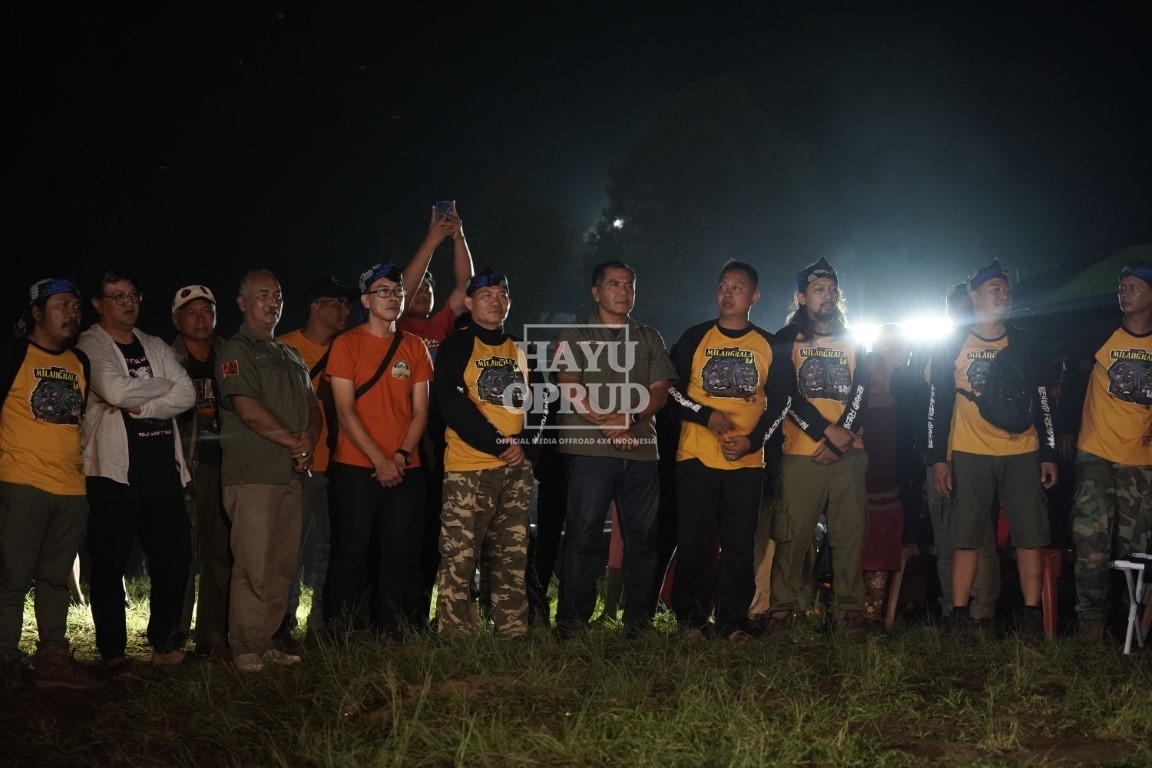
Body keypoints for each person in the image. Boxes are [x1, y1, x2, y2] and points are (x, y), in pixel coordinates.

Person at [927, 260, 1057, 641]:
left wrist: (1049, 452)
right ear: (974, 296)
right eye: (994, 289)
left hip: (1022, 449)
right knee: (966, 536)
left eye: (1006, 289)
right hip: (970, 451)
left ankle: (1031, 618)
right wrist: (938, 459)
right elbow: (938, 404)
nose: (1003, 295)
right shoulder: (953, 342)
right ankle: (959, 617)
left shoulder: (1024, 341)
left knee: (1029, 535)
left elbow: (1042, 399)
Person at [77, 265, 196, 676]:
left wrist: (142, 405)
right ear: (98, 304)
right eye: (118, 296)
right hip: (114, 474)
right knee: (109, 565)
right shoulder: (90, 344)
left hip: (163, 473)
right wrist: (161, 386)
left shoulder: (154, 343)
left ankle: (164, 644)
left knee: (175, 560)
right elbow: (113, 390)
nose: (128, 303)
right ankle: (113, 653)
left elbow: (187, 393)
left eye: (133, 295)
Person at [667, 260, 791, 643]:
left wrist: (753, 441)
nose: (728, 294)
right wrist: (706, 415)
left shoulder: (769, 344)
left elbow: (781, 403)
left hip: (746, 464)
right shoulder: (695, 337)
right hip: (696, 458)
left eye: (737, 288)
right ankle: (691, 622)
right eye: (722, 286)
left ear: (754, 297)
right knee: (694, 543)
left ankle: (732, 624)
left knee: (739, 546)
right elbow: (671, 390)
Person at [553, 259, 677, 639]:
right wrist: (609, 425)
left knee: (643, 541)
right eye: (614, 284)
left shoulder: (649, 337)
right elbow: (569, 384)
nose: (624, 291)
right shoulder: (575, 334)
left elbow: (660, 392)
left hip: (640, 452)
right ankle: (572, 624)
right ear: (596, 292)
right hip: (589, 452)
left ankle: (638, 624)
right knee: (583, 537)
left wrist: (630, 418)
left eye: (629, 285)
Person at [217, 270, 320, 671]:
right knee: (253, 565)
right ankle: (244, 645)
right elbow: (248, 409)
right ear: (242, 303)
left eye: (277, 295)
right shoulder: (236, 350)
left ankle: (267, 640)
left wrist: (309, 439)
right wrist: (294, 442)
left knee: (282, 566)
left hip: (290, 475)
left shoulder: (291, 354)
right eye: (263, 295)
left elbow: (313, 408)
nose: (273, 302)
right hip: (253, 475)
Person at [0, 278, 99, 688]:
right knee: (12, 577)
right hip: (21, 482)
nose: (72, 313)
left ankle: (53, 659)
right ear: (37, 312)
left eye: (76, 306)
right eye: (62, 305)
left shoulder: (80, 362)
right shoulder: (14, 355)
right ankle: (5, 659)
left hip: (71, 489)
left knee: (57, 578)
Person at [325, 263, 432, 639]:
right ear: (366, 300)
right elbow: (344, 411)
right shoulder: (346, 344)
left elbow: (421, 412)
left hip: (406, 466)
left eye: (398, 291)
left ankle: (393, 629)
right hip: (356, 465)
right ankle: (345, 630)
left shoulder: (414, 346)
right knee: (352, 549)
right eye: (383, 291)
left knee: (400, 549)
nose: (393, 297)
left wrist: (399, 457)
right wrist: (379, 460)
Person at [765, 258, 870, 641]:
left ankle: (848, 615)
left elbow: (862, 392)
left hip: (849, 454)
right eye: (819, 289)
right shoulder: (786, 338)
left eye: (832, 289)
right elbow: (785, 394)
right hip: (801, 454)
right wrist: (825, 432)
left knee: (848, 536)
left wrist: (842, 439)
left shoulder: (854, 339)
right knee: (793, 538)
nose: (828, 295)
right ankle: (781, 614)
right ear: (801, 297)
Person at [434, 267, 541, 638]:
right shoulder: (456, 347)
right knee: (460, 554)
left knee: (512, 554)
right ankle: (455, 632)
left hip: (516, 470)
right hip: (469, 468)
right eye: (486, 295)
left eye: (502, 294)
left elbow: (542, 402)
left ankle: (511, 629)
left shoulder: (522, 348)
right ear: (469, 302)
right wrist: (501, 443)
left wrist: (525, 444)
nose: (496, 301)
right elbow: (454, 407)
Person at [1057, 256, 1152, 640]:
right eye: (1121, 287)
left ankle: (1129, 624)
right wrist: (1066, 429)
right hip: (1094, 451)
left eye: (1134, 288)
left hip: (1141, 460)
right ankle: (1090, 622)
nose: (1124, 294)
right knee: (1090, 535)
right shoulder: (1099, 332)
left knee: (1135, 546)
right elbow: (1071, 381)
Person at [397, 204, 476, 627]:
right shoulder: (393, 328)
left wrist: (457, 237)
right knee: (402, 531)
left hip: (436, 438)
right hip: (398, 434)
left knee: (433, 529)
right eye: (419, 286)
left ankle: (421, 616)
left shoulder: (437, 328)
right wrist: (431, 241)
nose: (425, 291)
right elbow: (401, 292)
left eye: (430, 286)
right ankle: (389, 614)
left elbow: (466, 286)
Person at [278, 275, 356, 643]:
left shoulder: (349, 347)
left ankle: (322, 624)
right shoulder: (284, 348)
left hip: (341, 463)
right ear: (315, 307)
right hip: (299, 463)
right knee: (289, 548)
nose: (345, 311)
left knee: (332, 549)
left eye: (347, 304)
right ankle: (283, 621)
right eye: (337, 303)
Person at [926, 283, 1000, 627]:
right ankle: (951, 614)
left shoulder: (988, 347)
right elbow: (924, 408)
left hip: (973, 453)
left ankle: (982, 615)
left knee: (979, 538)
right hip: (939, 457)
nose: (962, 315)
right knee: (946, 540)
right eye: (955, 309)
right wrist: (932, 457)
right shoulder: (938, 349)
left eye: (966, 308)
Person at [171, 285, 229, 658]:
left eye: (206, 311)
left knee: (220, 553)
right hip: (184, 466)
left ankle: (211, 636)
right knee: (182, 553)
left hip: (225, 464)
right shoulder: (166, 359)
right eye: (190, 312)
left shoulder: (231, 355)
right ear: (176, 320)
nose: (200, 319)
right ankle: (174, 634)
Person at [859, 324, 915, 625]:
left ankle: (875, 616)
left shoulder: (902, 403)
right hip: (859, 493)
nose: (873, 378)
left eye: (877, 372)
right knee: (855, 552)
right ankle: (850, 614)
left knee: (880, 556)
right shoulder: (853, 411)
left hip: (890, 496)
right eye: (867, 373)